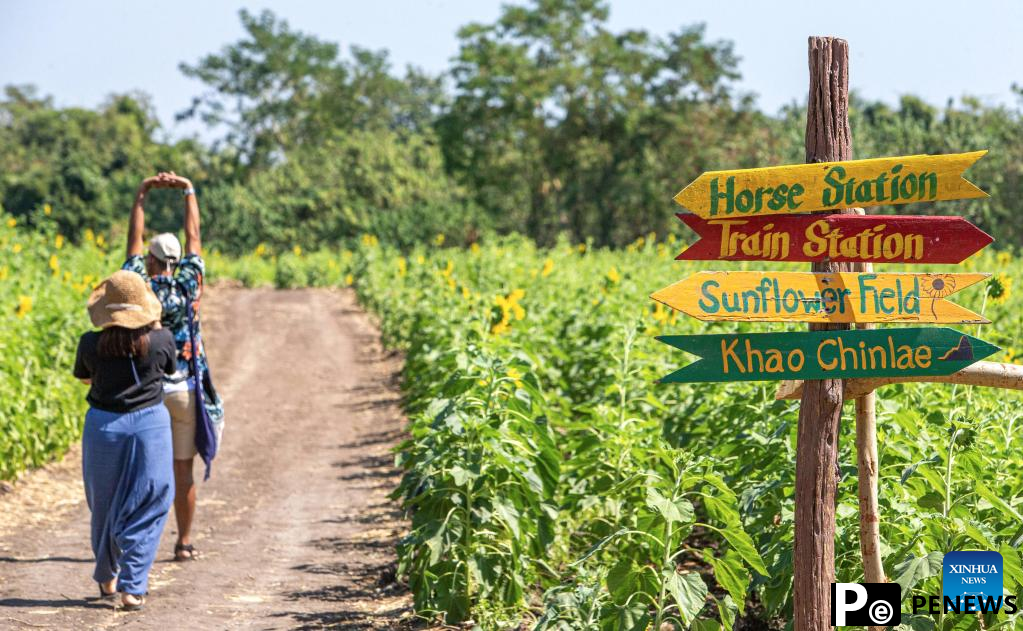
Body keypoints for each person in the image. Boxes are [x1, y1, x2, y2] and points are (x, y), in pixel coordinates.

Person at [123, 171, 223, 562]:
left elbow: (132, 241)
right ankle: (183, 543)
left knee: (142, 474)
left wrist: (142, 193)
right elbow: (195, 236)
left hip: (146, 391)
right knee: (183, 473)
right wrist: (188, 191)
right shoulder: (189, 283)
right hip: (184, 391)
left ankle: (137, 546)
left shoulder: (137, 285)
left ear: (150, 259)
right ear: (178, 261)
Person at [75, 270, 177, 611]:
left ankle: (107, 575)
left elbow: (87, 380)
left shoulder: (90, 343)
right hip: (150, 423)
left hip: (103, 425)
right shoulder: (162, 340)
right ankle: (133, 586)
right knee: (152, 498)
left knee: (103, 502)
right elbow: (170, 370)